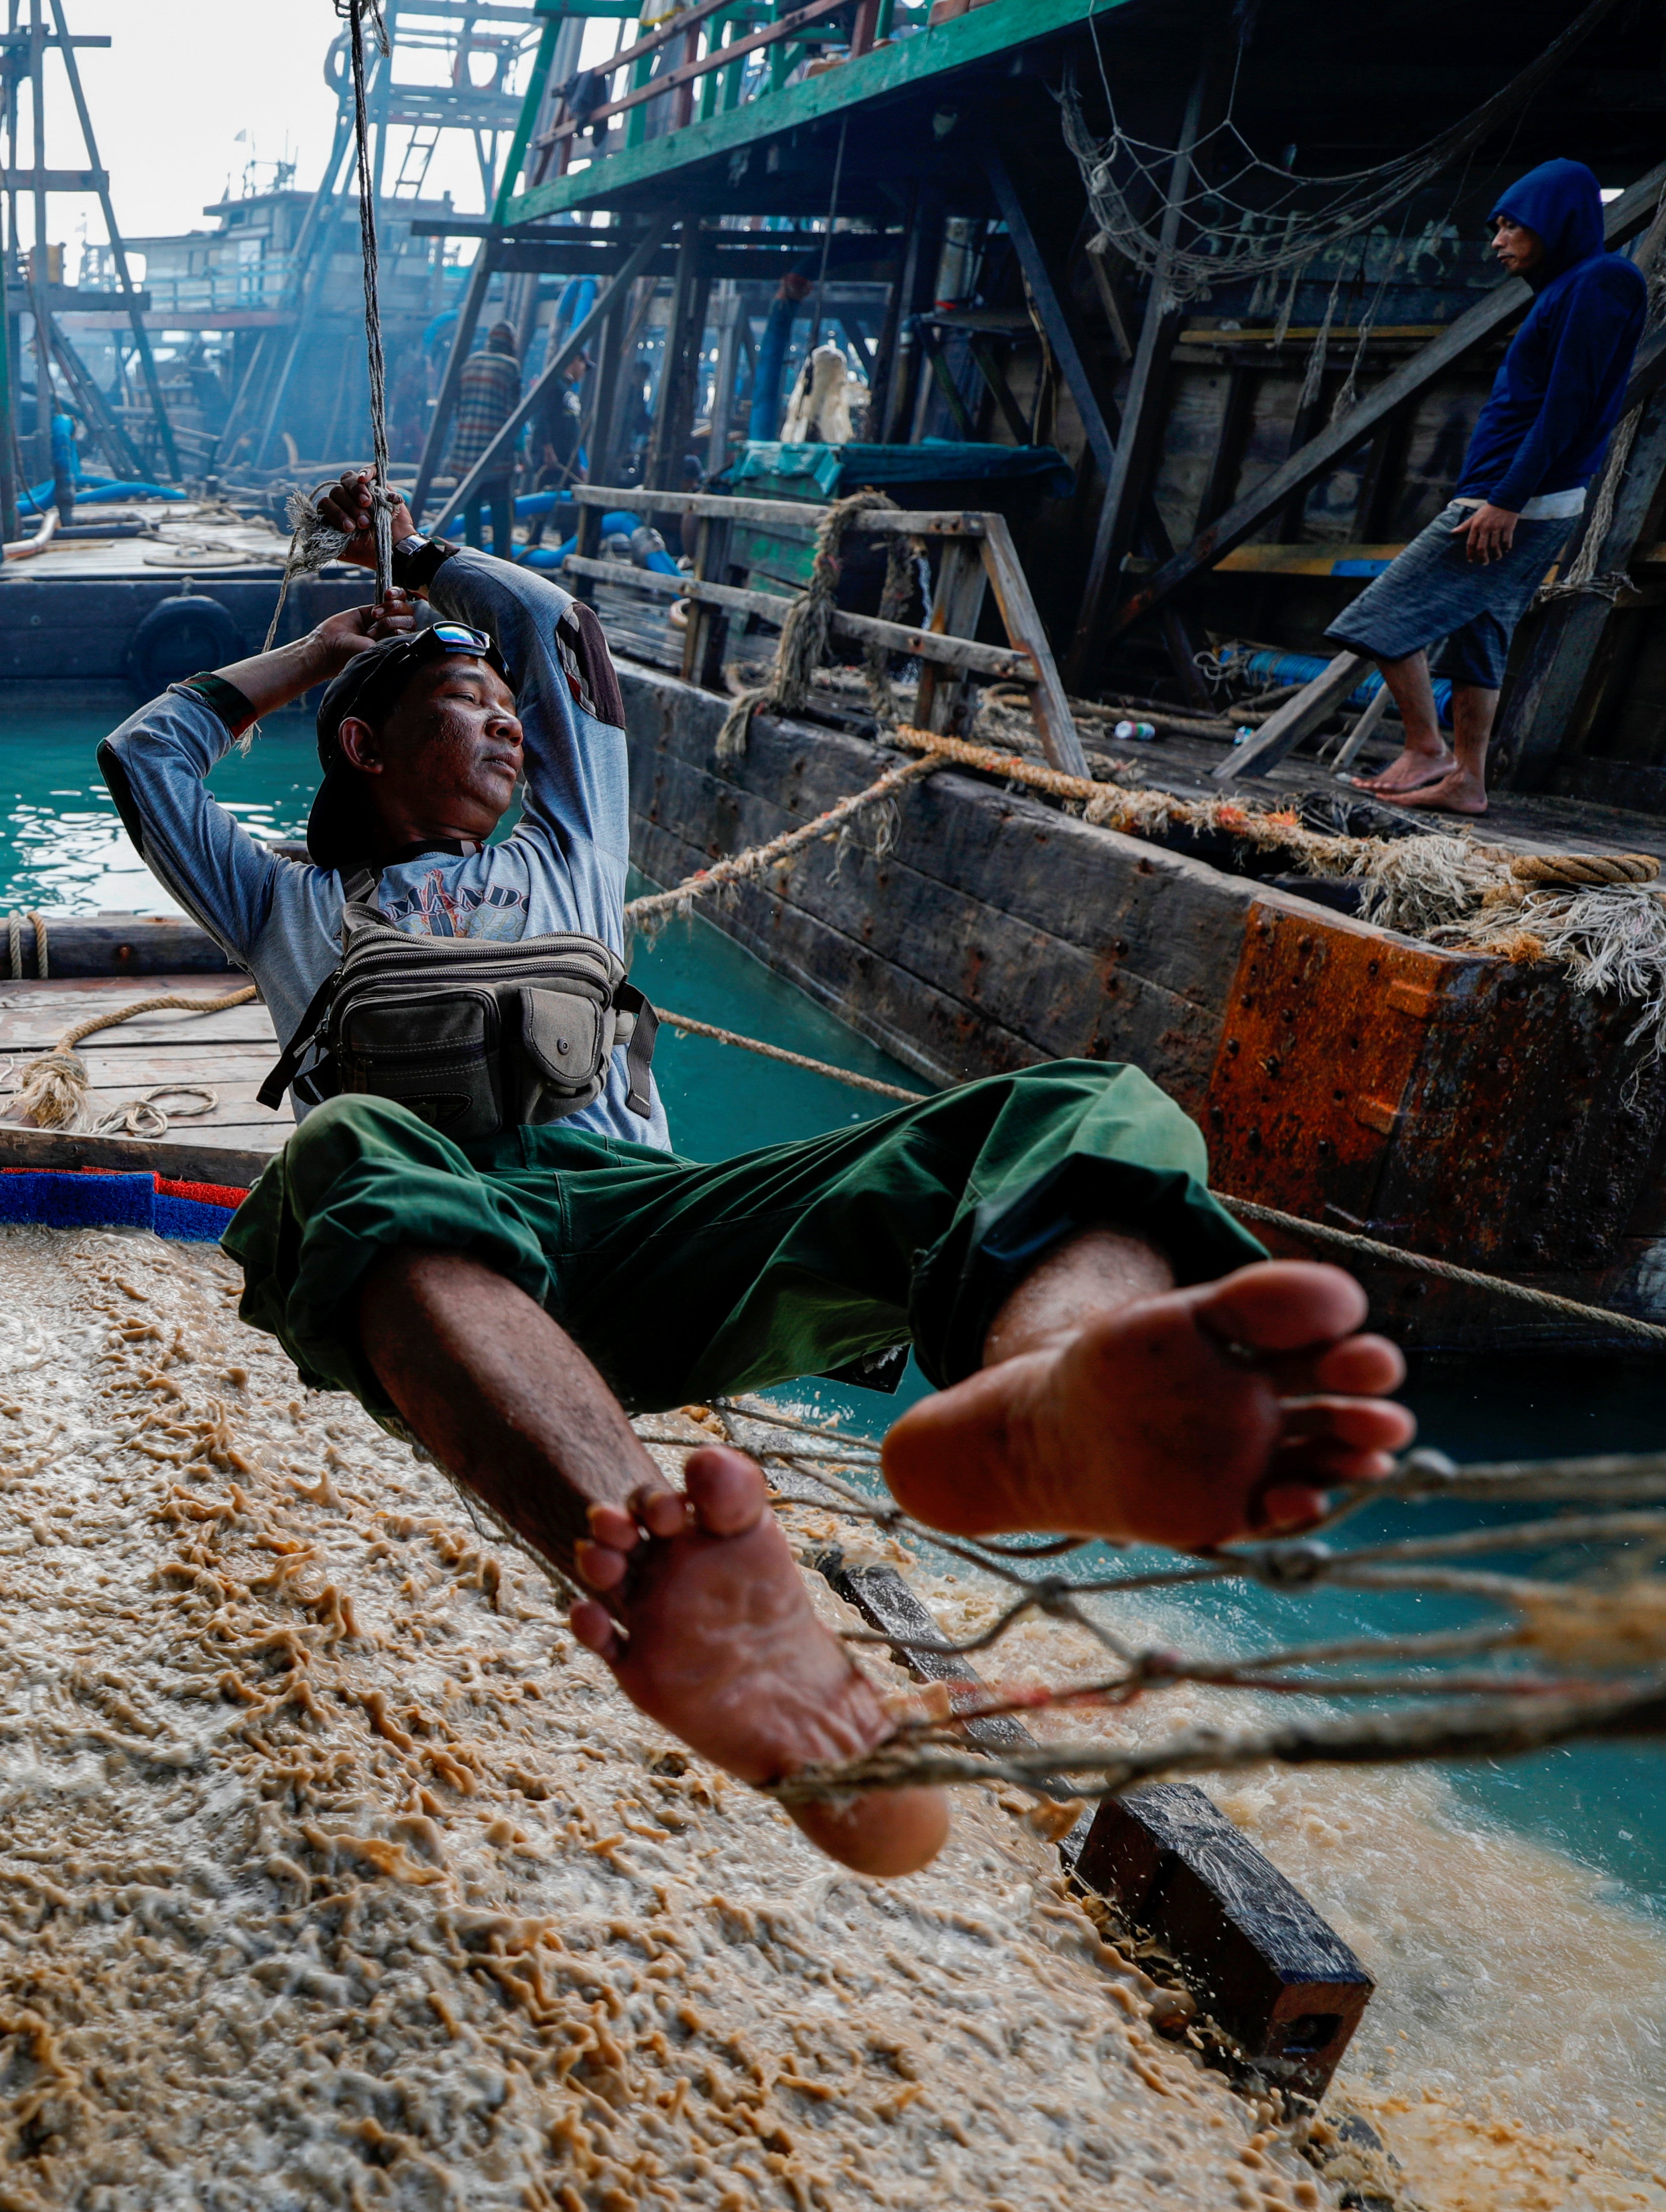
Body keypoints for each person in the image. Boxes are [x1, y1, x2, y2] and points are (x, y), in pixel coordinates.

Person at [97, 471, 1415, 1878]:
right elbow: (147, 756)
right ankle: (674, 1579)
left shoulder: (569, 850)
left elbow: (560, 640)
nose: (501, 723)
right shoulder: (284, 901)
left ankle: (1059, 1377)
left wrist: (420, 556)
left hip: (642, 1230)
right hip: (443, 1273)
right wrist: (317, 651)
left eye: (502, 710)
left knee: (1078, 1106)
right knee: (339, 1151)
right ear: (362, 744)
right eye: (459, 709)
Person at [1337, 160, 1649, 817]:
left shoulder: (1602, 282)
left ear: (1556, 222)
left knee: (1379, 616)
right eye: (1496, 227)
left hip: (1515, 500)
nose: (1497, 239)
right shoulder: (1567, 288)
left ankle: (1426, 749)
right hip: (1518, 495)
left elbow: (1567, 406)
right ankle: (1467, 780)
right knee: (1481, 633)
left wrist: (1506, 499)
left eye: (1512, 225)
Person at [444, 322, 524, 551]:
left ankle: (473, 563)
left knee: (471, 514)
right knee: (502, 512)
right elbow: (514, 415)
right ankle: (502, 562)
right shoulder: (511, 367)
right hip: (495, 457)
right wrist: (522, 454)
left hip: (464, 456)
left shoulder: (468, 364)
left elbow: (459, 411)